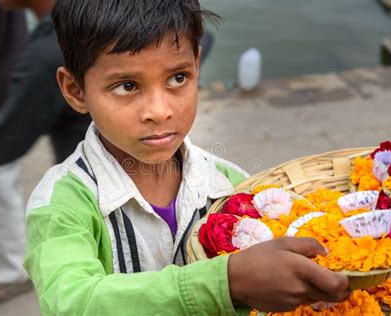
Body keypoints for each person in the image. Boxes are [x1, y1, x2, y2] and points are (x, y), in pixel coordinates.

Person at [24, 0, 351, 314]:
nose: (159, 111)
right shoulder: (62, 205)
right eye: (126, 86)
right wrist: (226, 283)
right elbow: (71, 302)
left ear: (196, 64)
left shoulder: (228, 184)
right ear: (75, 90)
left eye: (178, 78)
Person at [0, 0, 91, 307]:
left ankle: (7, 270)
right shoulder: (67, 32)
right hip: (2, 71)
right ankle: (0, 246)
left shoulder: (49, 53)